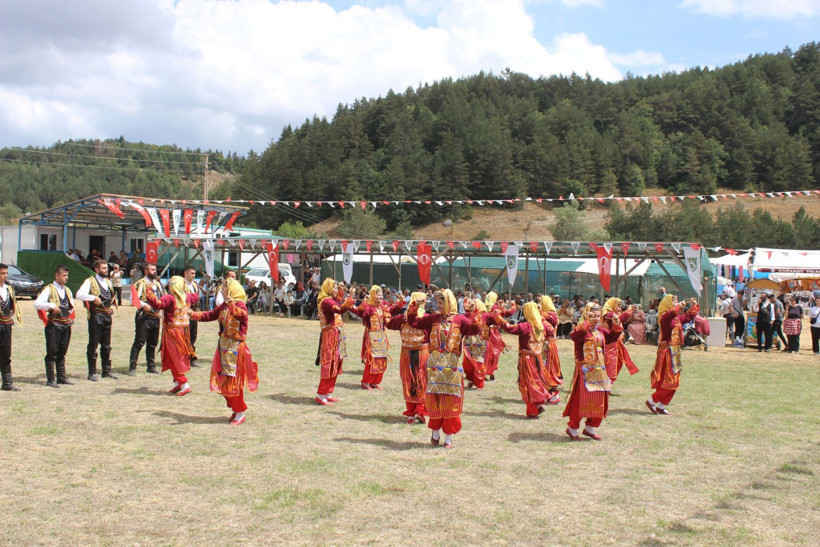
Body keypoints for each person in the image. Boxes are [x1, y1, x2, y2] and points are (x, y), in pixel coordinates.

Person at [407, 289, 479, 449]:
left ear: (449, 302)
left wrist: (473, 312)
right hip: (434, 367)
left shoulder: (460, 320)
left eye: (441, 303)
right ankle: (435, 433)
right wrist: (414, 306)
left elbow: (475, 329)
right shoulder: (433, 319)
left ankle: (448, 437)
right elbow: (413, 322)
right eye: (437, 302)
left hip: (452, 367)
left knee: (451, 400)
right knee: (435, 399)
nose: (438, 306)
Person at [191, 279, 259, 424]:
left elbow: (242, 315)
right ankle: (235, 409)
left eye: (223, 289)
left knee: (234, 380)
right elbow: (210, 315)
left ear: (231, 290)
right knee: (223, 380)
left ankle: (240, 412)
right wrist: (192, 314)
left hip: (235, 348)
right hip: (223, 347)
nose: (221, 291)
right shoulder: (223, 305)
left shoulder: (239, 304)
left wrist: (231, 305)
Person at [563, 303, 620, 440]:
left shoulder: (599, 330)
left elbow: (612, 338)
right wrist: (586, 323)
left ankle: (590, 427)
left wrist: (616, 324)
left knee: (601, 398)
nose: (596, 319)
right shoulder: (582, 330)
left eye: (598, 316)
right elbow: (574, 337)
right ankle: (572, 428)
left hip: (599, 369)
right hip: (585, 370)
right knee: (581, 399)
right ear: (586, 315)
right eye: (592, 316)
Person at [143, 276, 199, 396]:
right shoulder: (187, 297)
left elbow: (157, 304)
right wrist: (194, 286)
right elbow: (196, 296)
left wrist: (148, 290)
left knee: (174, 358)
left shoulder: (170, 298)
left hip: (172, 332)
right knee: (172, 357)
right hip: (183, 331)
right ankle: (178, 383)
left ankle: (184, 384)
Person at [497, 302, 553, 418]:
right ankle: (537, 405)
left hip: (527, 359)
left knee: (527, 383)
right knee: (536, 380)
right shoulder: (542, 326)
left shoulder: (527, 326)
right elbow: (551, 332)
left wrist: (498, 317)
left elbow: (509, 328)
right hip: (537, 358)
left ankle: (533, 409)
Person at [646, 295, 699, 415]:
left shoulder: (676, 318)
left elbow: (688, 317)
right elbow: (670, 314)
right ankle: (652, 401)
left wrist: (694, 306)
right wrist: (678, 307)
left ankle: (661, 405)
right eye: (674, 301)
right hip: (667, 352)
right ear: (668, 304)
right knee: (670, 380)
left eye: (676, 301)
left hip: (675, 352)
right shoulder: (664, 317)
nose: (677, 303)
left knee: (674, 381)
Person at [386, 291, 429, 424]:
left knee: (412, 381)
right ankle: (418, 412)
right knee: (418, 381)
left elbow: (387, 321)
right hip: (418, 353)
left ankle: (413, 413)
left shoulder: (404, 318)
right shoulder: (424, 318)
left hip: (412, 353)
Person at [76, 259, 118, 381]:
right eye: (103, 268)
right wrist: (93, 297)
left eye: (107, 268)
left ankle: (106, 371)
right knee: (93, 344)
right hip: (96, 316)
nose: (106, 270)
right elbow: (79, 294)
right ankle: (92, 372)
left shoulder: (108, 282)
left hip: (107, 315)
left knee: (106, 345)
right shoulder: (90, 281)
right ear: (96, 269)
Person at [33, 265, 76, 388]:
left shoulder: (67, 290)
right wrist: (51, 306)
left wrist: (69, 313)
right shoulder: (49, 289)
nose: (66, 278)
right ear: (57, 275)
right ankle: (51, 379)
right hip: (54, 325)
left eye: (67, 275)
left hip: (66, 324)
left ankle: (61, 377)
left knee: (62, 351)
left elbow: (71, 306)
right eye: (64, 275)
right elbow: (37, 304)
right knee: (52, 352)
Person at [315, 279, 354, 405]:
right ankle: (321, 394)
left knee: (336, 362)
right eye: (335, 287)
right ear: (329, 288)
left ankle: (328, 392)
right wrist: (351, 297)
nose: (337, 290)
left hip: (336, 333)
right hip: (330, 335)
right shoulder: (326, 301)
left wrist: (342, 290)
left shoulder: (330, 300)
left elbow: (338, 301)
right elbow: (340, 308)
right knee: (329, 363)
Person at [350, 285, 395, 390]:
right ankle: (365, 382)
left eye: (381, 294)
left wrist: (401, 303)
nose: (381, 296)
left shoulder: (382, 306)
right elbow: (360, 313)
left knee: (381, 358)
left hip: (381, 335)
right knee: (372, 359)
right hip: (371, 336)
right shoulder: (369, 307)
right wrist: (363, 304)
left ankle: (375, 381)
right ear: (373, 295)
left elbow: (393, 309)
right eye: (378, 294)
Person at [128, 263, 165, 375]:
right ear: (146, 271)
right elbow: (132, 300)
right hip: (144, 317)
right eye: (152, 269)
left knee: (153, 343)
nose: (155, 271)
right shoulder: (140, 283)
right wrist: (144, 305)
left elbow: (163, 298)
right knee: (139, 342)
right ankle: (132, 367)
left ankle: (151, 366)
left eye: (155, 269)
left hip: (156, 317)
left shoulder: (158, 284)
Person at [599, 298, 638, 383]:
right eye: (618, 305)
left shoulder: (615, 313)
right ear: (612, 305)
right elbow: (619, 319)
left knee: (618, 363)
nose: (620, 307)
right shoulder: (608, 314)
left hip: (616, 344)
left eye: (620, 305)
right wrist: (628, 311)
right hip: (609, 344)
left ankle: (609, 383)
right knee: (610, 365)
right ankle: (606, 383)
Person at [461, 299, 493, 391]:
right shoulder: (467, 315)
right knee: (468, 362)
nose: (470, 306)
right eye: (470, 305)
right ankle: (471, 379)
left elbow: (494, 319)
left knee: (478, 361)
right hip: (469, 341)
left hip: (480, 341)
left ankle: (479, 383)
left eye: (473, 304)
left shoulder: (484, 315)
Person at [0, 264, 23, 391]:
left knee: (6, 353)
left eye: (6, 273)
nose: (5, 276)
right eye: (2, 273)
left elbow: (13, 305)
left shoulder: (8, 289)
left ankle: (7, 382)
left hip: (6, 324)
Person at [483, 291, 514, 381]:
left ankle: (485, 371)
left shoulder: (483, 307)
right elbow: (508, 313)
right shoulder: (495, 308)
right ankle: (491, 371)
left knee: (486, 352)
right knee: (495, 352)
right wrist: (513, 306)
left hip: (485, 332)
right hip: (494, 333)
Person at [539, 296, 563, 404]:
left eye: (541, 302)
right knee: (544, 368)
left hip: (548, 345)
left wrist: (539, 311)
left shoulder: (551, 315)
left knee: (547, 369)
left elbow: (550, 320)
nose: (539, 304)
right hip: (545, 344)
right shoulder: (548, 314)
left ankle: (552, 395)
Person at [183, 266, 201, 366]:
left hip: (194, 314)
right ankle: (184, 359)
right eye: (192, 273)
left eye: (194, 273)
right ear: (186, 273)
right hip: (185, 314)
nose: (194, 275)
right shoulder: (181, 284)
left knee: (193, 337)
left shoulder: (195, 285)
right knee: (185, 337)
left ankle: (191, 359)